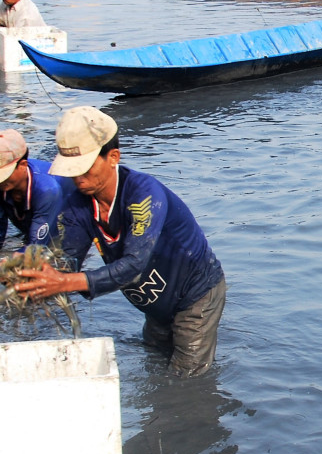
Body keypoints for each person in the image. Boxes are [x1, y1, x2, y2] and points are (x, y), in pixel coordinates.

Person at [14, 106, 227, 378]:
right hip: (155, 302)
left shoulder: (143, 196)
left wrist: (65, 282)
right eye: (72, 171)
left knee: (185, 380)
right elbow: (66, 260)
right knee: (155, 364)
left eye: (86, 169)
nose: (78, 179)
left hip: (196, 295)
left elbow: (134, 265)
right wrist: (34, 270)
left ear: (113, 156)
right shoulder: (79, 205)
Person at [0, 128, 73, 253]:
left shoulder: (47, 190)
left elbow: (37, 247)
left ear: (23, 165)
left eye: (3, 174)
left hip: (64, 232)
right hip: (37, 228)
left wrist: (6, 260)